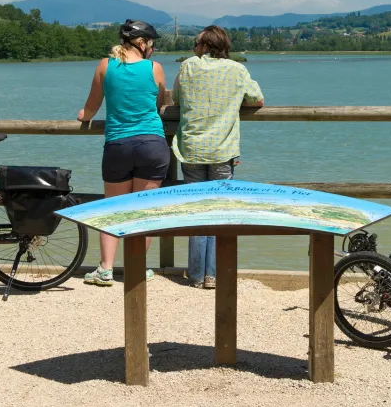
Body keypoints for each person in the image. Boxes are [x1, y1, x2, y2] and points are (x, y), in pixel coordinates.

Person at [77, 19, 169, 286]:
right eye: (151, 45)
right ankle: (137, 268)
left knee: (112, 208)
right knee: (143, 209)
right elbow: (159, 103)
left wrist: (83, 115)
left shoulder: (105, 66)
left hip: (118, 144)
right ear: (141, 44)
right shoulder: (155, 69)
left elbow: (91, 108)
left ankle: (105, 269)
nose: (152, 50)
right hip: (152, 144)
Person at [172, 25, 264, 289]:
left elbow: (177, 97)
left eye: (196, 44)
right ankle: (214, 274)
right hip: (223, 149)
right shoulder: (237, 70)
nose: (194, 49)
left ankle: (197, 274)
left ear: (204, 46)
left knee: (198, 211)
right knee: (220, 211)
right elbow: (257, 99)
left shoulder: (188, 66)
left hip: (192, 148)